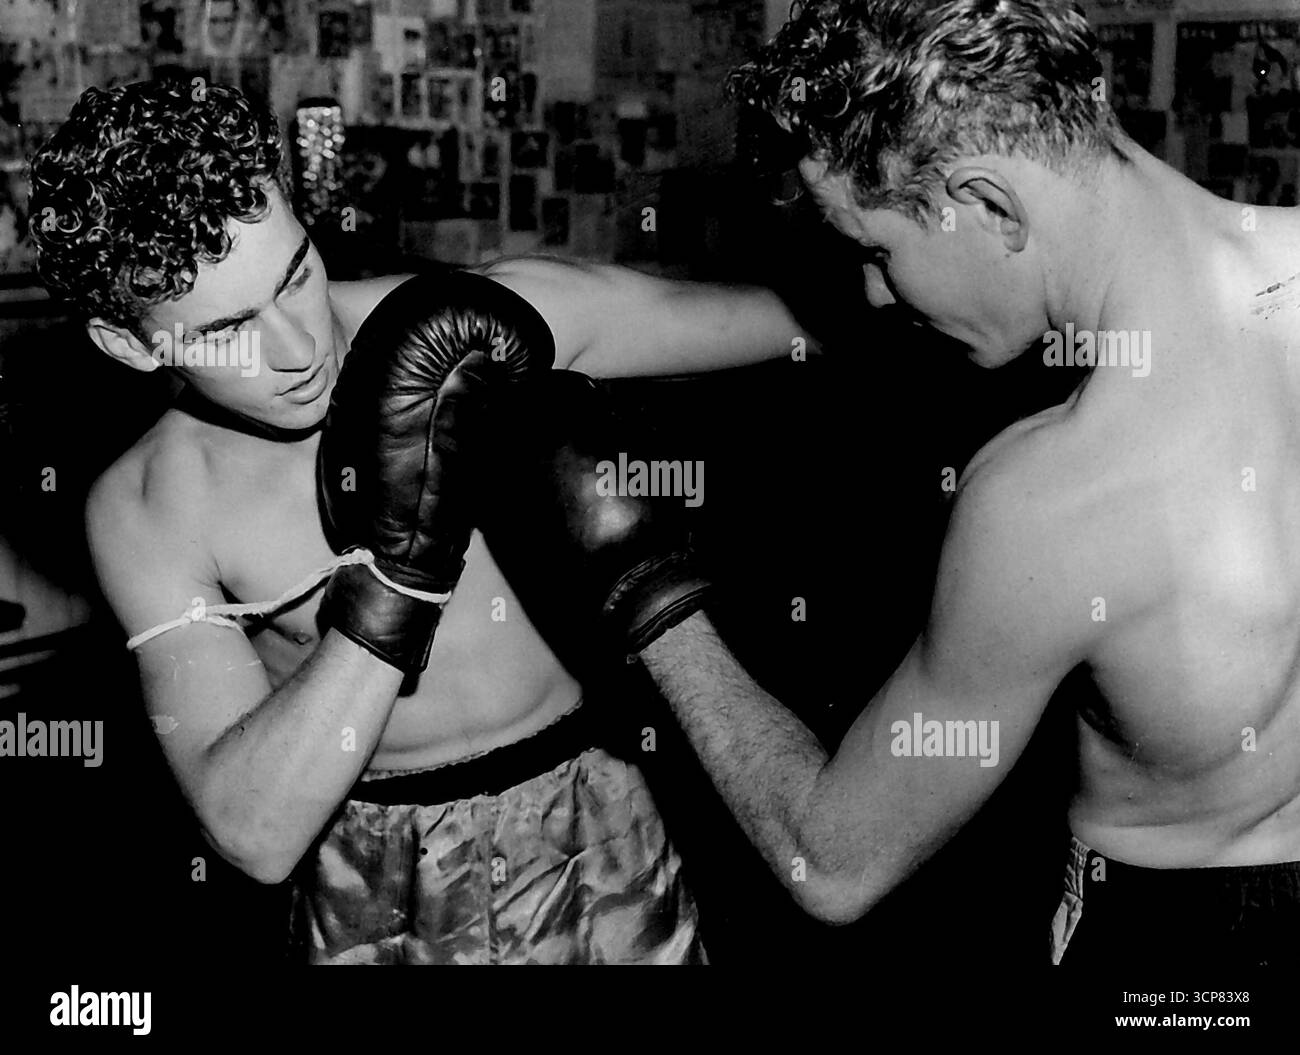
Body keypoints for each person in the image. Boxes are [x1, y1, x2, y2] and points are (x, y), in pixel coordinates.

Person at [481, 0, 1300, 968]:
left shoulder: (1050, 501)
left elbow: (832, 862)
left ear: (990, 206)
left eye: (874, 248)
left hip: (1166, 956)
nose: (874, 291)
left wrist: (651, 600)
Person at [27, 79, 816, 964]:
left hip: (601, 817)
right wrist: (397, 578)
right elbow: (252, 829)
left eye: (295, 273)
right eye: (227, 332)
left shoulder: (462, 331)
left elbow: (789, 323)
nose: (299, 349)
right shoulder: (150, 506)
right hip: (374, 878)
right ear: (131, 343)